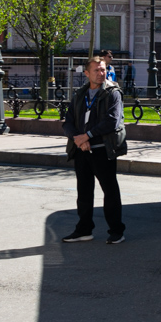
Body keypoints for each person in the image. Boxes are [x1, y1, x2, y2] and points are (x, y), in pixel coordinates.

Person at [60, 56, 128, 244]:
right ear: (87, 73)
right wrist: (78, 139)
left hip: (103, 150)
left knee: (110, 191)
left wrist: (87, 136)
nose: (101, 73)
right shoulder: (80, 94)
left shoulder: (112, 93)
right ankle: (84, 230)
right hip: (82, 150)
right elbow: (68, 122)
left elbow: (112, 121)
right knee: (84, 192)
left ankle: (116, 231)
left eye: (103, 69)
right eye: (96, 70)